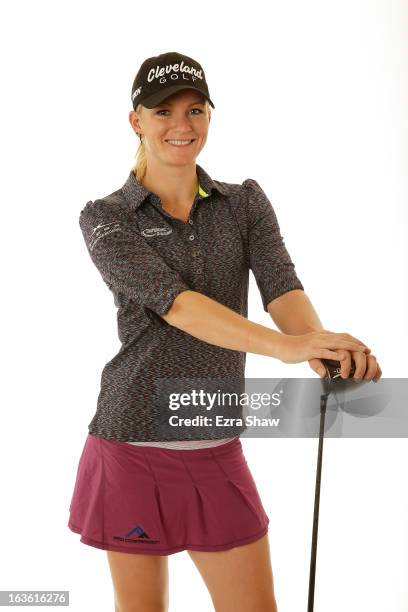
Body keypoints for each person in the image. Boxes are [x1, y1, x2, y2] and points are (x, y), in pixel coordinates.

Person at [68, 51, 382, 612]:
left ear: (211, 115)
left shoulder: (244, 204)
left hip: (215, 440)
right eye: (163, 112)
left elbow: (282, 288)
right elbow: (180, 306)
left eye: (195, 110)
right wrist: (289, 348)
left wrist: (319, 342)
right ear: (136, 120)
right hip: (130, 443)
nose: (181, 126)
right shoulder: (107, 216)